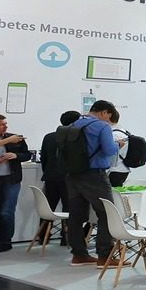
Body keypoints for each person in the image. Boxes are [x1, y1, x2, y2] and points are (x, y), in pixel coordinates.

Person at [65, 100, 127, 267]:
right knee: (107, 213)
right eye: (109, 117)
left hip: (72, 175)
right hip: (94, 175)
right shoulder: (101, 126)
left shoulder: (74, 124)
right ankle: (104, 256)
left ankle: (79, 255)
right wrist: (118, 144)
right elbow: (109, 150)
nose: (108, 121)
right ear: (104, 112)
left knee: (76, 215)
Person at [40, 110, 80, 245]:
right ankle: (66, 237)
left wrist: (48, 172)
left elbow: (44, 158)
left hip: (50, 176)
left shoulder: (49, 137)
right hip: (69, 177)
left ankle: (43, 236)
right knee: (69, 207)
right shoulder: (75, 137)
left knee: (48, 207)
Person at [0, 114, 30, 252]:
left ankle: (5, 241)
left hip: (11, 179)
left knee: (6, 211)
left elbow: (27, 155)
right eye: (1, 124)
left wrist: (16, 156)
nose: (5, 126)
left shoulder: (15, 138)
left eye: (5, 123)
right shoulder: (9, 139)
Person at [108, 109, 130, 187]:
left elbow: (110, 152)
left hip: (114, 170)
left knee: (112, 193)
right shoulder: (124, 132)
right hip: (124, 168)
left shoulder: (113, 134)